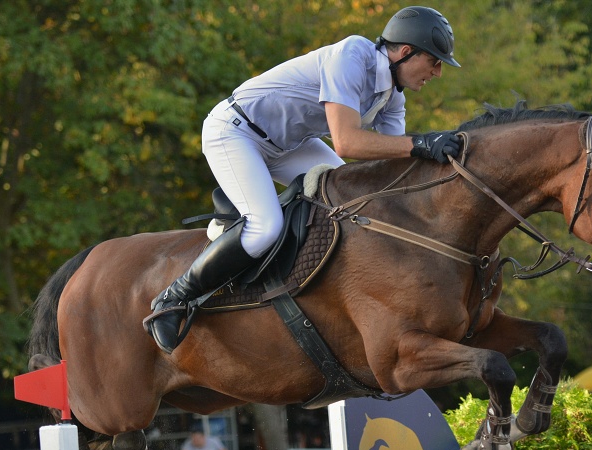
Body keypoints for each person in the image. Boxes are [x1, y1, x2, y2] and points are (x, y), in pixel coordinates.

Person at [145, 6, 463, 353]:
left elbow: (389, 168)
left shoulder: (392, 96)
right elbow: (347, 142)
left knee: (350, 193)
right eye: (434, 61)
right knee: (264, 227)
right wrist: (420, 143)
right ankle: (174, 299)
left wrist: (443, 166)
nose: (438, 72)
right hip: (235, 132)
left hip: (287, 144)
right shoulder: (353, 55)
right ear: (405, 52)